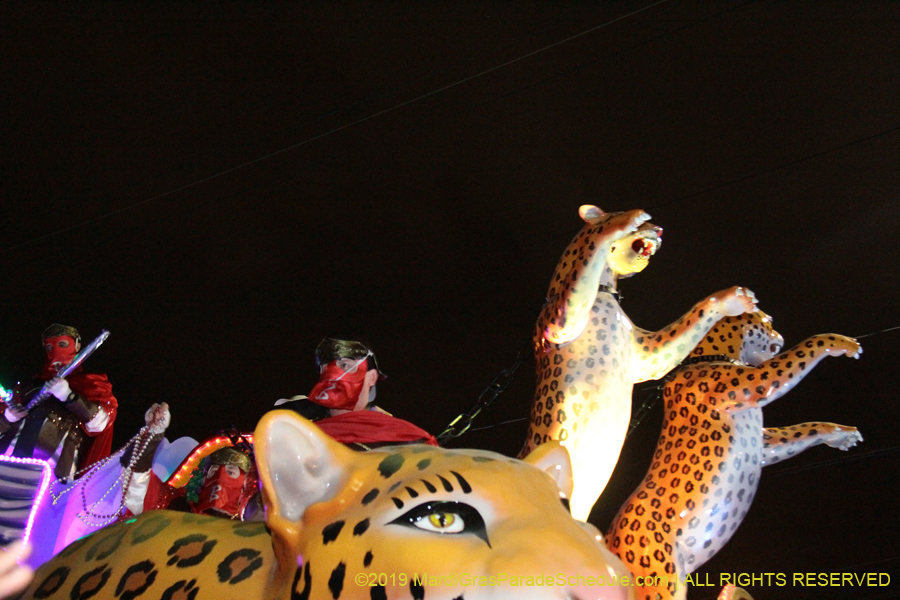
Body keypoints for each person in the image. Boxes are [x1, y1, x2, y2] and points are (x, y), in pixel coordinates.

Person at [0, 324, 117, 480]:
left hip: (53, 470)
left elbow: (100, 423)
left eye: (62, 344)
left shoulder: (90, 384)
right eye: (49, 347)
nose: (55, 351)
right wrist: (8, 417)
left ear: (77, 345)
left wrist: (69, 396)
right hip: (6, 460)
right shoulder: (28, 387)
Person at [275, 337, 437, 448]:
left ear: (371, 377)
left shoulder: (407, 438)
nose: (334, 375)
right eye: (326, 368)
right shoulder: (301, 437)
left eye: (345, 365)